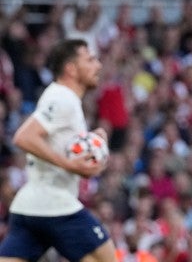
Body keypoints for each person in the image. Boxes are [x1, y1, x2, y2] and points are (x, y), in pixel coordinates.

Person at [0, 38, 117, 262]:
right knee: (106, 258)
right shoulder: (63, 98)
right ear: (71, 69)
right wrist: (70, 165)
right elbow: (24, 137)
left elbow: (58, 141)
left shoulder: (62, 98)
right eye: (90, 59)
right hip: (54, 205)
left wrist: (94, 141)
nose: (98, 65)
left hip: (29, 206)